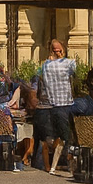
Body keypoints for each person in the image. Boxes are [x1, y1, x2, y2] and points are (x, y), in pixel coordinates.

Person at [38, 39, 77, 173]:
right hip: (65, 104)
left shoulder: (45, 65)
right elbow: (76, 72)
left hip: (51, 105)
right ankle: (69, 162)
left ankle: (53, 166)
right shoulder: (68, 63)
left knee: (58, 136)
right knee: (67, 137)